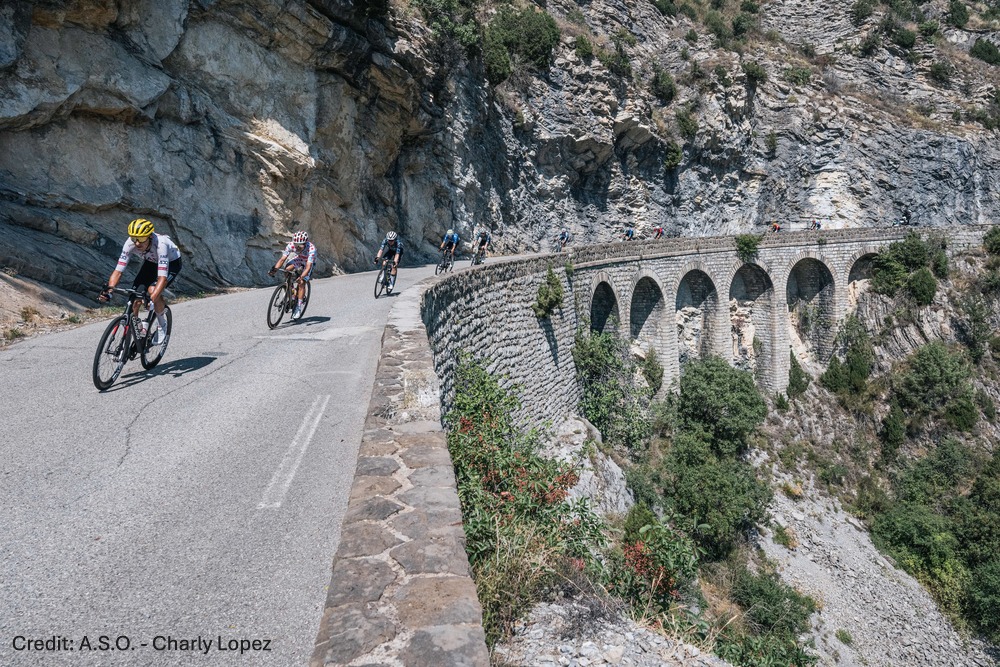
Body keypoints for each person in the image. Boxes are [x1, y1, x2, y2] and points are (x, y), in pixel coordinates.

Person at [99, 218, 182, 344]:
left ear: (149, 236)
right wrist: (109, 291)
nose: (137, 243)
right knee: (135, 299)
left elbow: (162, 278)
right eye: (134, 238)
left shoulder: (161, 245)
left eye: (141, 239)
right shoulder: (130, 243)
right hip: (151, 263)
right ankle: (137, 330)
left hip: (171, 263)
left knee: (153, 291)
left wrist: (151, 298)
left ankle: (162, 326)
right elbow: (118, 271)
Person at [268, 230, 315, 319]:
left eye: (299, 245)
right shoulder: (291, 245)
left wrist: (301, 277)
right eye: (296, 244)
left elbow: (308, 267)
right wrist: (275, 269)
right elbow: (282, 259)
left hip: (308, 262)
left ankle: (298, 307)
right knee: (287, 270)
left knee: (301, 282)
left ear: (305, 243)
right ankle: (292, 291)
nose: (297, 247)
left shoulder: (311, 249)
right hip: (299, 258)